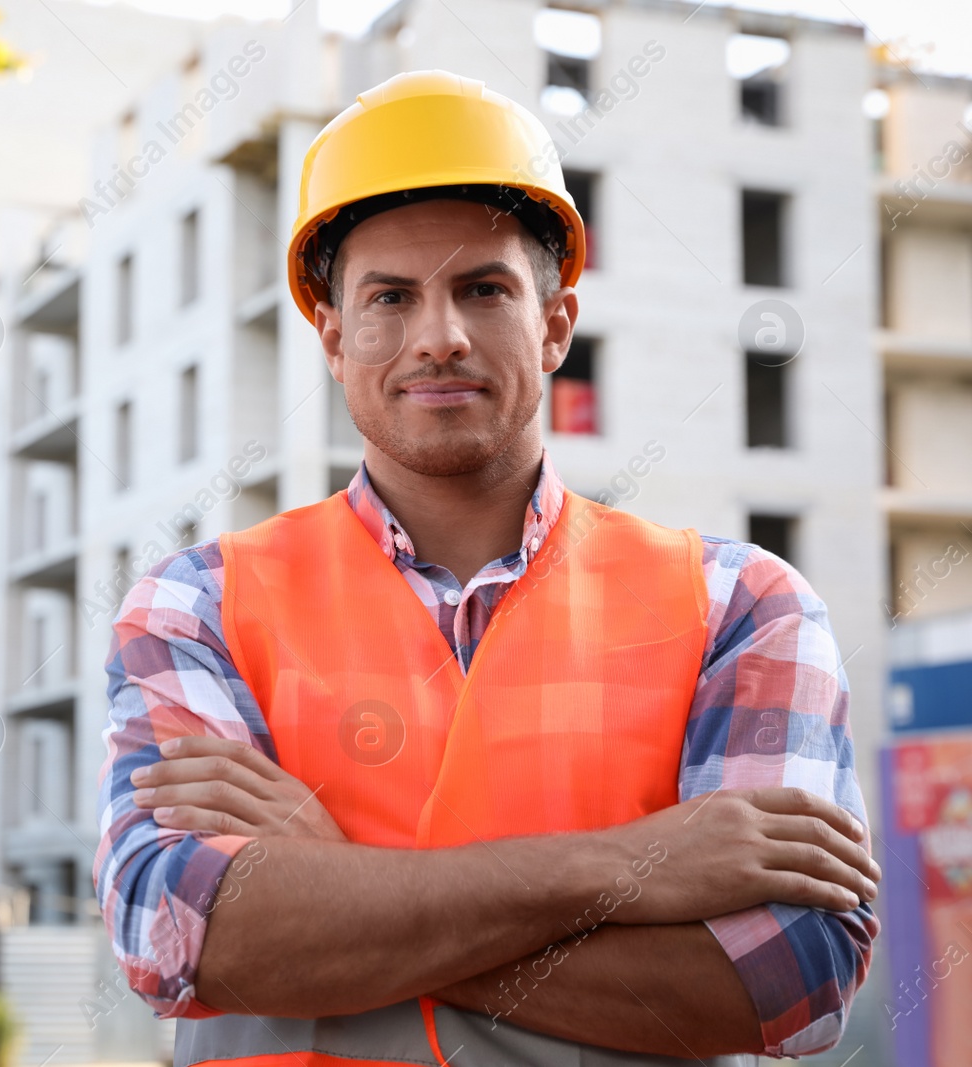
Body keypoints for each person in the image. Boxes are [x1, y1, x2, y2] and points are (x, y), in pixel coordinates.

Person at [92, 70, 878, 1065]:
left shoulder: (740, 605)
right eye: (388, 296)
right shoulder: (195, 604)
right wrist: (632, 866)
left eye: (483, 288)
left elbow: (783, 984)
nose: (439, 335)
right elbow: (181, 937)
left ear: (554, 324)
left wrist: (339, 884)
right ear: (333, 334)